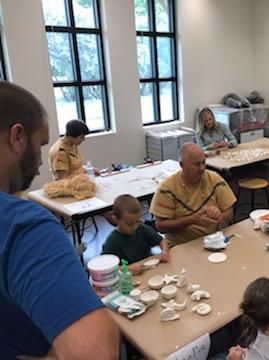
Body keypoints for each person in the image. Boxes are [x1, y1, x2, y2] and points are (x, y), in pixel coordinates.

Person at [0, 81, 119, 358]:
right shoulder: (23, 226)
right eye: (39, 144)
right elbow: (95, 350)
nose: (41, 161)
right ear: (17, 137)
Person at [150, 142, 236, 245]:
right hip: (180, 245)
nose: (202, 168)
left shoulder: (214, 179)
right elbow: (160, 226)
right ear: (182, 165)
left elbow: (229, 211)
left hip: (212, 240)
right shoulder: (167, 188)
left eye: (203, 162)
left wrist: (219, 216)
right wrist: (192, 220)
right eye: (196, 164)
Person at [102, 194, 170, 275]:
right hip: (126, 278)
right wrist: (127, 269)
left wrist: (165, 252)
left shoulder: (142, 228)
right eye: (129, 224)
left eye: (138, 221)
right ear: (115, 219)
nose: (134, 227)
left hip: (146, 270)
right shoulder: (112, 241)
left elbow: (162, 241)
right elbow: (104, 268)